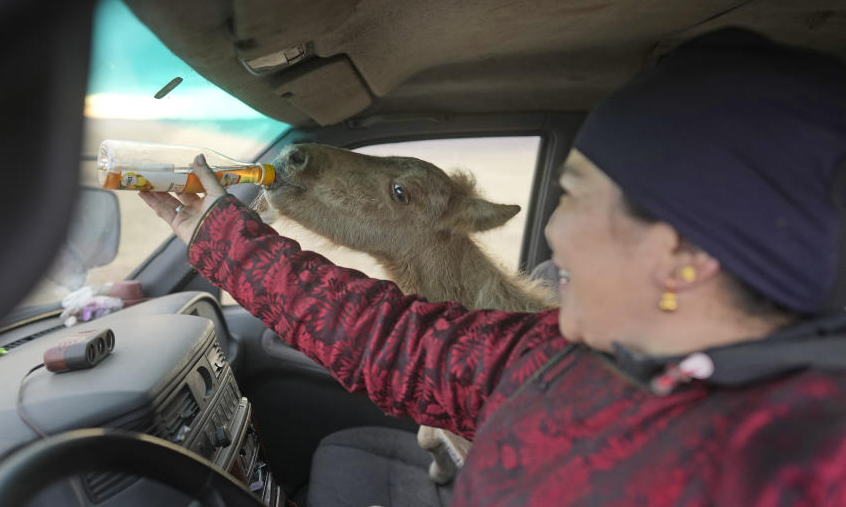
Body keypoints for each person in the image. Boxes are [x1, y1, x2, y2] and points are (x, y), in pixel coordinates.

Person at [140, 28, 846, 506]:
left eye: (575, 198)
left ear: (684, 254)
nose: (552, 232)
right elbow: (388, 340)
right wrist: (212, 231)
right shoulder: (559, 348)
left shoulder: (793, 467)